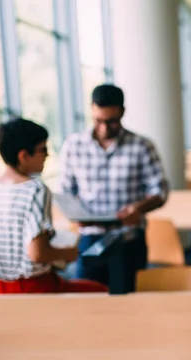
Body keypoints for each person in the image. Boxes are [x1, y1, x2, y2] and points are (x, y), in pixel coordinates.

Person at [0, 118, 108, 294]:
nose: (47, 155)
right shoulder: (34, 191)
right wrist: (68, 254)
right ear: (23, 156)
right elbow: (37, 254)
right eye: (42, 150)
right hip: (33, 289)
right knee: (101, 292)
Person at [59, 84, 169, 290]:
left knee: (130, 303)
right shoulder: (73, 145)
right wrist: (74, 214)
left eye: (111, 122)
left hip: (128, 239)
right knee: (87, 303)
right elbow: (66, 192)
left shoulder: (142, 145)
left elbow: (160, 192)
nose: (104, 128)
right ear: (91, 110)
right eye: (98, 121)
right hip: (89, 238)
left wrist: (139, 208)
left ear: (122, 113)